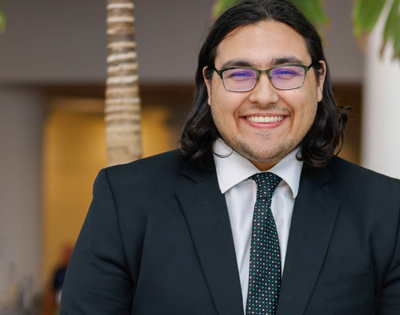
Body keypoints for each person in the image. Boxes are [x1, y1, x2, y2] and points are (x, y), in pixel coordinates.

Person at [60, 0, 400, 314]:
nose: (264, 96)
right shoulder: (126, 199)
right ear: (210, 86)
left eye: (287, 72)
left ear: (318, 81)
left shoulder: (386, 208)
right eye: (239, 74)